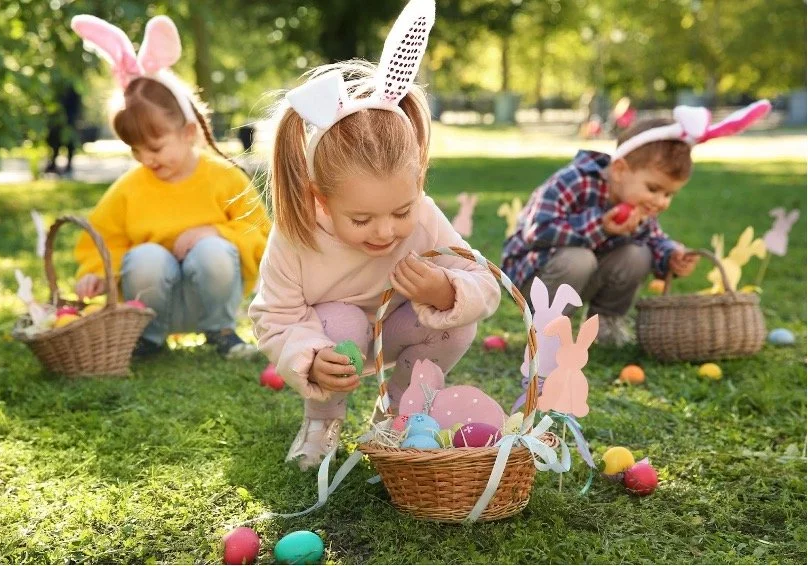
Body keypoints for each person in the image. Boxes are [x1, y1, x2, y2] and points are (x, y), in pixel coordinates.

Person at [249, 0, 501, 470]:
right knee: (341, 320)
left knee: (457, 318)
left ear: (419, 181)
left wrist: (445, 289)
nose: (386, 231)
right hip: (334, 339)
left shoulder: (423, 215)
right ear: (320, 198)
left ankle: (399, 414)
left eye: (400, 211)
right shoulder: (297, 233)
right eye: (361, 220)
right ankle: (322, 421)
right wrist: (308, 355)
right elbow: (274, 315)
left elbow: (484, 283)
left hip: (399, 327)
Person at [70, 14, 270, 359]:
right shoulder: (130, 188)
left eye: (156, 147)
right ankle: (148, 337)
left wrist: (215, 232)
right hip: (151, 302)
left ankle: (221, 331)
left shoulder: (223, 177)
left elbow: (261, 234)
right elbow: (104, 239)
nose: (146, 159)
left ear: (188, 132)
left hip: (209, 297)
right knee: (145, 256)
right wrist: (94, 274)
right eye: (136, 149)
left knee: (213, 251)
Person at [501, 99, 771, 347]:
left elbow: (652, 239)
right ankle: (547, 333)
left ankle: (604, 326)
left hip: (583, 276)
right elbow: (538, 230)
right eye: (654, 189)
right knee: (579, 259)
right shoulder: (574, 181)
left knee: (638, 254)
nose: (661, 202)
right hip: (533, 275)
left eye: (669, 194)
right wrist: (601, 226)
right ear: (619, 170)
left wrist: (670, 256)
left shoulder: (638, 203)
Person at [44, 81, 82, 176]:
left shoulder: (73, 87)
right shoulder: (57, 86)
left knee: (69, 144)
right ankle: (53, 163)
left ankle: (68, 165)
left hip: (69, 120)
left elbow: (76, 106)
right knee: (55, 143)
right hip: (57, 121)